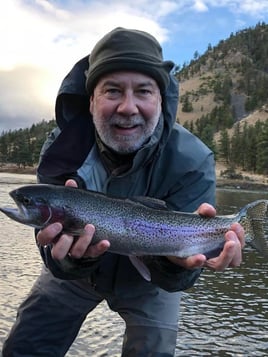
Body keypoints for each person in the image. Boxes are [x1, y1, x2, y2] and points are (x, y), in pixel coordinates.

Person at [2, 27, 244, 356]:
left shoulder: (193, 159)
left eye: (143, 91)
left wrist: (176, 264)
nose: (127, 107)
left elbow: (179, 279)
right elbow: (52, 252)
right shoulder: (62, 149)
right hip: (76, 276)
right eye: (113, 91)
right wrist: (70, 263)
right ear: (91, 101)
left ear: (161, 100)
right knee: (26, 345)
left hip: (152, 282)